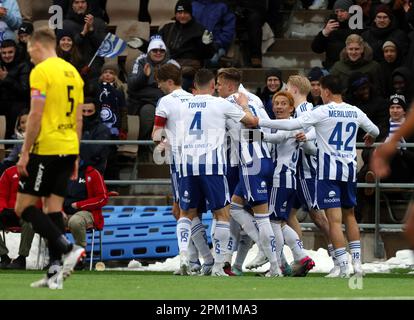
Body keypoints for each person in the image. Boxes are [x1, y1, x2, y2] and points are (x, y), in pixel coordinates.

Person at [259, 74, 380, 277]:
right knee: (350, 216)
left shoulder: (323, 111)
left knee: (333, 220)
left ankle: (342, 266)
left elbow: (290, 125)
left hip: (328, 172)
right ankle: (358, 265)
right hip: (349, 170)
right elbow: (375, 130)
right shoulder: (354, 111)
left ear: (326, 91)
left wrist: (259, 121)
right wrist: (370, 137)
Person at [166, 68, 257, 276]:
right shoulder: (221, 103)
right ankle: (217, 265)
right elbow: (251, 122)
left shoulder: (182, 105)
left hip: (187, 165)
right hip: (212, 166)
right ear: (214, 85)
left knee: (186, 213)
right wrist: (244, 106)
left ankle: (184, 257)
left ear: (195, 86)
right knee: (222, 214)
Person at [14, 27, 85, 290]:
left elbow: (35, 114)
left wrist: (24, 152)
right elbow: (79, 118)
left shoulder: (41, 71)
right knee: (52, 210)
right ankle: (55, 273)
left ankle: (67, 249)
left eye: (30, 51)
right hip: (68, 147)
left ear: (37, 46)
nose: (29, 56)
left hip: (46, 148)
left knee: (23, 208)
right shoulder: (73, 73)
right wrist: (76, 153)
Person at [216, 67, 282, 277]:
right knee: (235, 206)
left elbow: (247, 124)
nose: (216, 88)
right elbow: (268, 129)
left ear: (228, 85)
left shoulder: (228, 104)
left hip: (250, 163)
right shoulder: (254, 99)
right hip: (263, 157)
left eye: (219, 84)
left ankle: (273, 264)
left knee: (263, 218)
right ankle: (266, 251)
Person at [152, 64, 214, 276]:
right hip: (204, 158)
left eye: (159, 82)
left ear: (169, 81)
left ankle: (200, 259)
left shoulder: (165, 102)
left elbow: (156, 133)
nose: (158, 86)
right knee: (185, 211)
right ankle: (199, 260)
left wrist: (162, 144)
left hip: (180, 162)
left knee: (182, 211)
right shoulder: (193, 98)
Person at [371, 99, 414, 248]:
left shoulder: (410, 131)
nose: (395, 110)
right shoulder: (382, 128)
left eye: (398, 107)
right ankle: (368, 179)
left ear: (404, 111)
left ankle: (369, 178)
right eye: (392, 107)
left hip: (404, 170)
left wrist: (400, 148)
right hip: (384, 171)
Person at [127, 35, 179, 141]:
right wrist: (144, 76)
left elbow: (174, 89)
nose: (158, 53)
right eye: (155, 50)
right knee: (148, 111)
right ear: (149, 51)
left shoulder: (172, 64)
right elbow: (132, 86)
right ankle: (144, 146)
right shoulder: (140, 61)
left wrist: (148, 89)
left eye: (161, 51)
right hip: (143, 103)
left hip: (167, 103)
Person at [159, 0, 215, 89]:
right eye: (179, 12)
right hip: (168, 68)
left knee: (177, 87)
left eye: (185, 13)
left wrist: (206, 44)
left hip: (189, 72)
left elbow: (208, 55)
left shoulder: (199, 30)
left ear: (191, 14)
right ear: (175, 14)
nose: (182, 16)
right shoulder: (167, 28)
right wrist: (142, 44)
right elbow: (156, 44)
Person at [63, 161, 109, 270]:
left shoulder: (92, 173)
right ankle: (56, 256)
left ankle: (79, 256)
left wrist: (80, 205)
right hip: (64, 213)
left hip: (87, 212)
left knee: (75, 221)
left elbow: (103, 198)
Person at [0, 165, 36, 269]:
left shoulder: (39, 174)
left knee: (30, 223)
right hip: (9, 212)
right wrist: (2, 210)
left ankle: (22, 258)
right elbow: (1, 195)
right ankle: (3, 257)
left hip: (27, 212)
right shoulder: (9, 172)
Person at [311, 0, 356, 70]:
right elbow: (316, 49)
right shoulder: (330, 27)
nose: (339, 14)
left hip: (352, 68)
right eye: (337, 11)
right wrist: (324, 33)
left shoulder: (358, 27)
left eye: (342, 11)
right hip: (332, 68)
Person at [0, 39, 31, 139]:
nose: (7, 55)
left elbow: (24, 91)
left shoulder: (24, 65)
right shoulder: (1, 65)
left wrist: (6, 78)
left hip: (17, 112)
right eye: (4, 53)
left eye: (10, 52)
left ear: (15, 51)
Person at [0, 109, 28, 176]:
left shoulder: (38, 136)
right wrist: (4, 163)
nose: (25, 125)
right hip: (19, 162)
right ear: (19, 124)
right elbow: (14, 154)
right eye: (22, 122)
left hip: (32, 163)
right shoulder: (18, 136)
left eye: (28, 121)